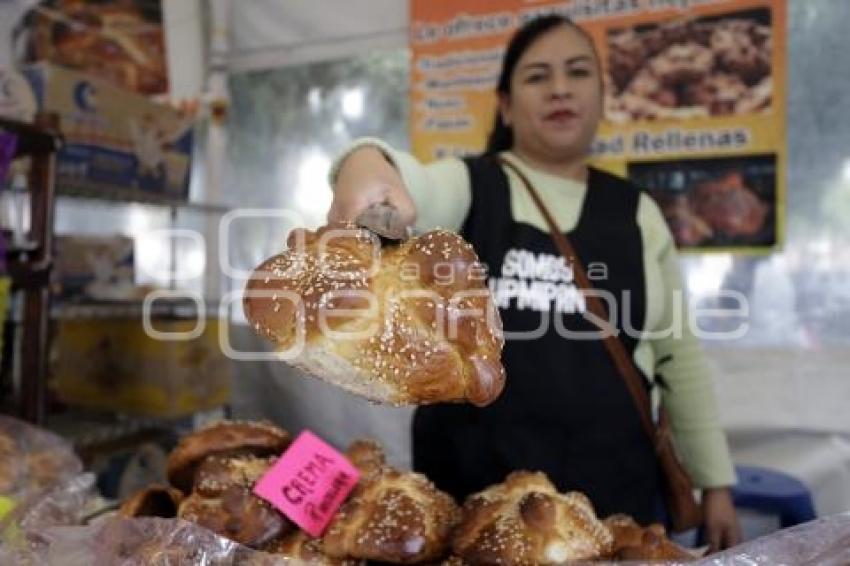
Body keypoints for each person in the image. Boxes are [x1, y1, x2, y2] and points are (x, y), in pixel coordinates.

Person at [327, 15, 741, 551]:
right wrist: (366, 162)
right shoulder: (472, 184)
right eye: (538, 76)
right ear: (504, 104)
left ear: (602, 93)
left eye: (577, 72)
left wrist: (717, 482)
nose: (560, 88)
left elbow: (677, 354)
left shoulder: (637, 212)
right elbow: (413, 188)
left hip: (613, 499)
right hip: (473, 506)